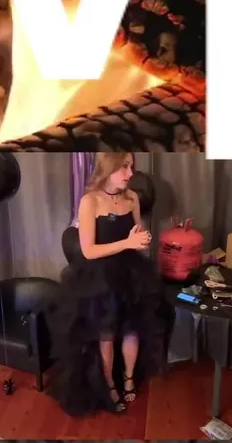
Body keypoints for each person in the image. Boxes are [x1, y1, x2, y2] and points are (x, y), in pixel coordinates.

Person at [48, 152, 165, 415]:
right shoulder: (90, 201)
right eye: (124, 167)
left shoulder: (132, 198)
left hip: (131, 274)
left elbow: (137, 234)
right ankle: (110, 384)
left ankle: (129, 379)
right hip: (100, 278)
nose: (130, 173)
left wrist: (142, 239)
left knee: (132, 330)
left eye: (131, 166)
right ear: (108, 168)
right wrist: (128, 243)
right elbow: (89, 251)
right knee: (107, 334)